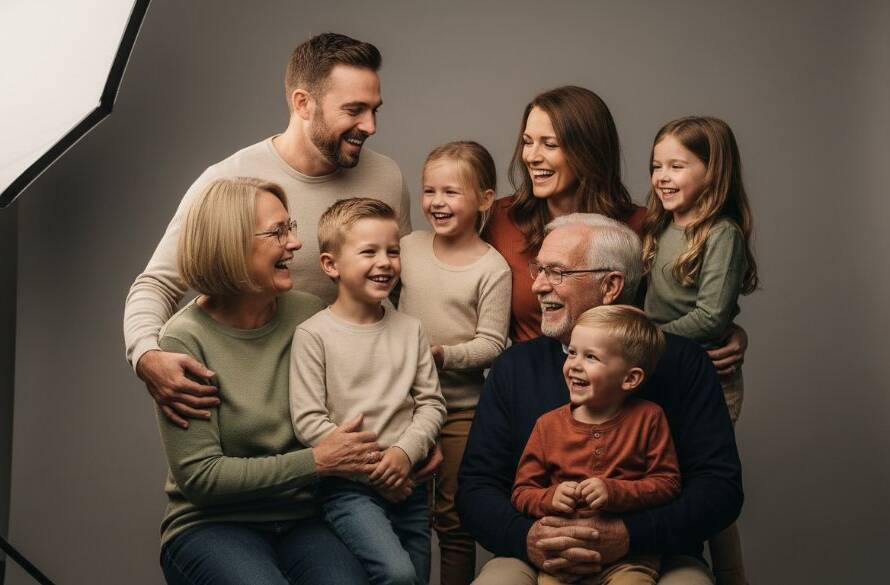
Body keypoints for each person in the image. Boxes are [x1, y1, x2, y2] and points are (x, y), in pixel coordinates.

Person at [124, 32, 411, 430]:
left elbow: (399, 293)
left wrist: (409, 424)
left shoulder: (387, 177)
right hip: (260, 410)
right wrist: (146, 356)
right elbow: (157, 283)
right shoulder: (229, 179)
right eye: (355, 109)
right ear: (302, 103)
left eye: (375, 109)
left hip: (358, 405)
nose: (371, 125)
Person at [457, 213, 742, 585]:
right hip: (537, 549)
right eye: (539, 270)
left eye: (557, 272)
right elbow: (476, 488)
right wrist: (528, 538)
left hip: (656, 550)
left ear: (610, 285)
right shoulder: (515, 367)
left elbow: (719, 489)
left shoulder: (682, 363)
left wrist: (629, 535)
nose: (539, 286)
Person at [155, 177, 383, 585]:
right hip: (211, 525)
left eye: (290, 227)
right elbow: (202, 478)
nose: (294, 243)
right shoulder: (184, 338)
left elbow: (358, 403)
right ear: (231, 242)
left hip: (303, 520)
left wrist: (406, 447)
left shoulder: (310, 314)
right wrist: (316, 462)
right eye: (278, 232)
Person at [483, 86, 748, 376]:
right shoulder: (499, 220)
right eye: (527, 142)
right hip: (530, 382)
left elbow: (673, 304)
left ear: (587, 150)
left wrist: (727, 332)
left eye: (549, 144)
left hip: (619, 390)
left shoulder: (644, 226)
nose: (531, 156)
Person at [289, 198, 447, 585]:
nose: (385, 262)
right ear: (331, 265)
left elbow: (431, 404)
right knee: (396, 575)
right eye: (369, 252)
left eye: (393, 251)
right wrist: (376, 470)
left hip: (409, 483)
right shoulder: (313, 335)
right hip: (348, 488)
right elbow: (308, 420)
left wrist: (403, 455)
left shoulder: (411, 330)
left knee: (417, 578)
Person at [642, 116, 759, 585]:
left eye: (677, 166)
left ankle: (731, 577)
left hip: (710, 380)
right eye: (656, 166)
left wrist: (642, 342)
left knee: (709, 484)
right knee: (671, 477)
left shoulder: (720, 233)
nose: (662, 177)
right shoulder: (660, 226)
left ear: (713, 172)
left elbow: (712, 318)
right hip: (666, 372)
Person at [398, 141, 512, 585]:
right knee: (405, 513)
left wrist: (443, 354)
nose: (436, 203)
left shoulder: (491, 268)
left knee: (453, 520)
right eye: (429, 191)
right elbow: (379, 308)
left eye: (451, 192)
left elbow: (491, 344)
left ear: (484, 199)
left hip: (460, 411)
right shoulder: (407, 247)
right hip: (400, 407)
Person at [512, 305, 680, 585]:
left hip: (627, 561)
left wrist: (614, 491)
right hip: (562, 559)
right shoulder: (547, 425)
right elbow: (522, 492)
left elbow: (668, 483)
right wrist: (550, 497)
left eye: (591, 357)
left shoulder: (649, 418)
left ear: (630, 379)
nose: (574, 364)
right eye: (572, 353)